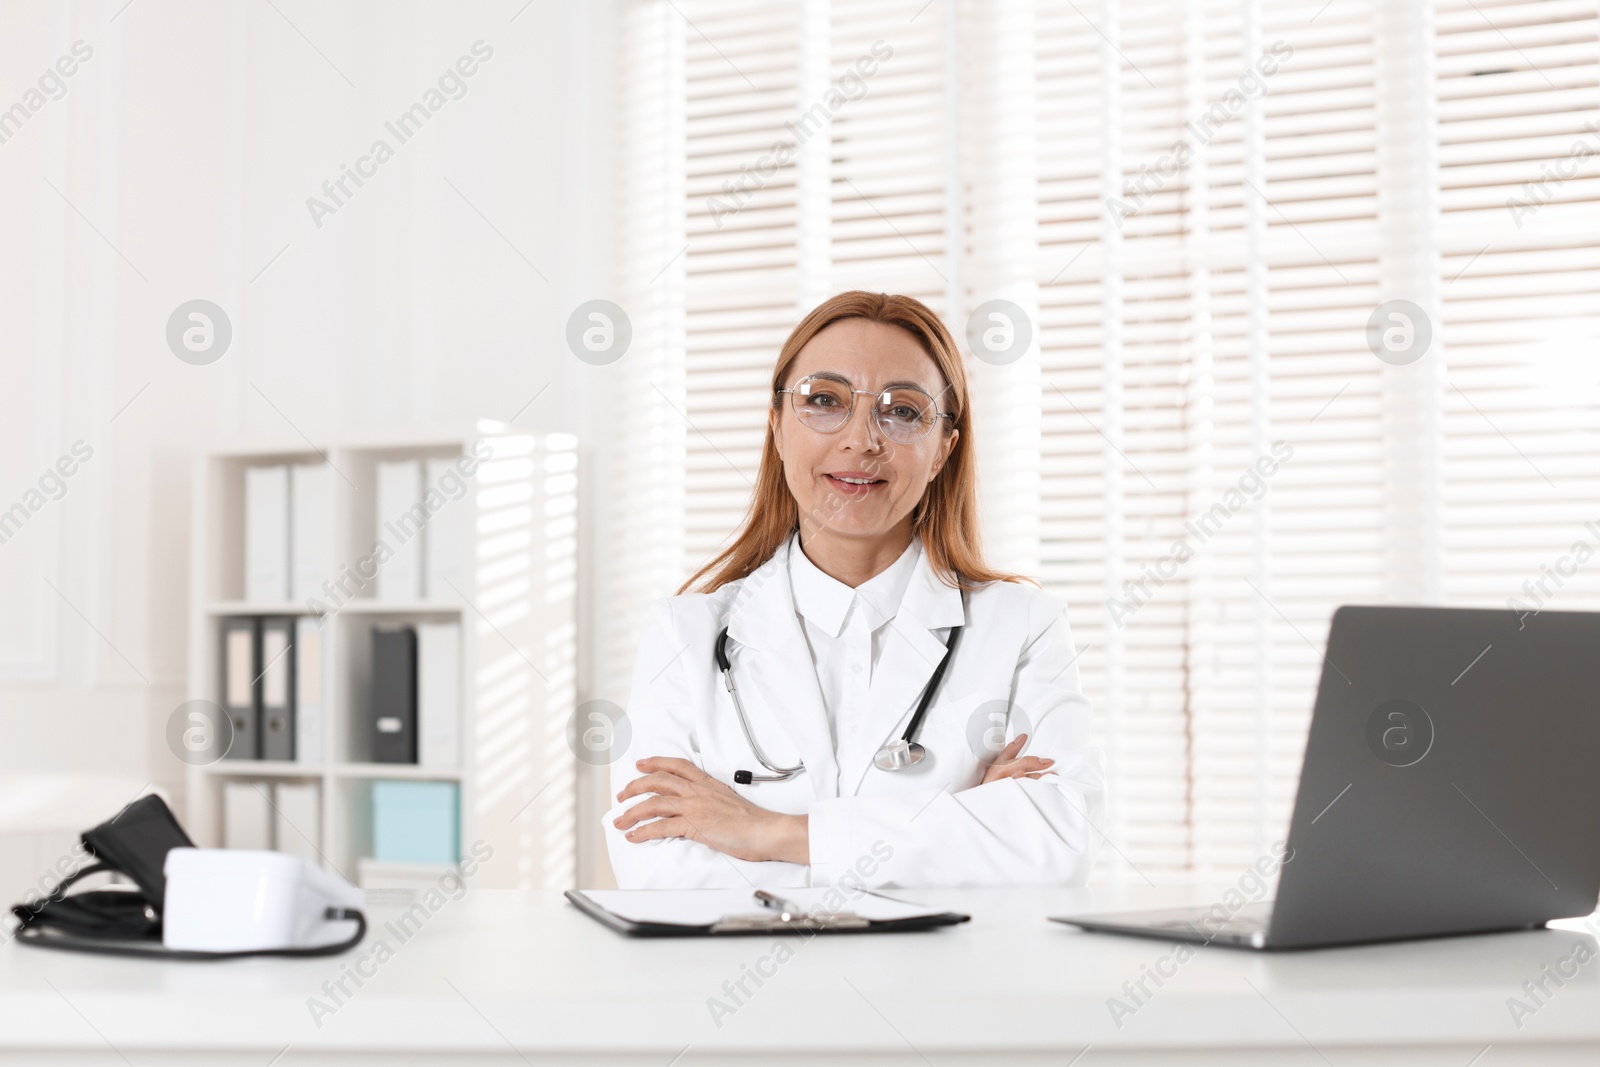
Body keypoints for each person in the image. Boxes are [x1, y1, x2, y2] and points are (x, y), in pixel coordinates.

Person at [604, 291, 1103, 888]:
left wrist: (768, 833)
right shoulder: (685, 634)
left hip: (947, 985)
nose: (862, 439)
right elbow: (656, 864)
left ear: (945, 446)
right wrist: (959, 830)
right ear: (777, 425)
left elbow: (1059, 840)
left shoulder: (1023, 625)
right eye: (824, 401)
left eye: (903, 412)